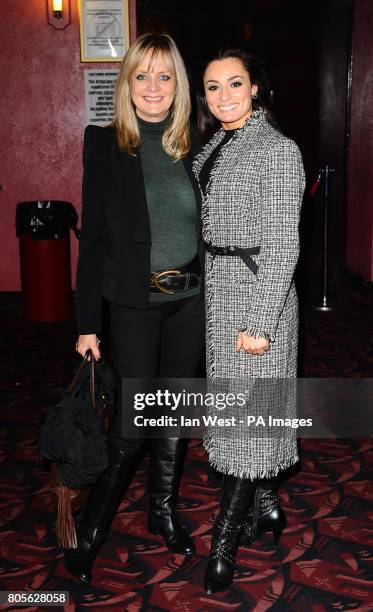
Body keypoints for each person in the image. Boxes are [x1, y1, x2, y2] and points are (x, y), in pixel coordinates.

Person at [64, 33, 204, 584]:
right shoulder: (104, 144)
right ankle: (92, 530)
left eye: (164, 76)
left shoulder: (195, 141)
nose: (153, 86)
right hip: (134, 305)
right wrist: (85, 325)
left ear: (178, 86)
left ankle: (162, 511)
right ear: (126, 83)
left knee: (172, 417)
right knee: (132, 424)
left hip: (191, 302)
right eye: (142, 75)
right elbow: (92, 238)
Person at [193, 49, 305, 594]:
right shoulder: (217, 143)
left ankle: (223, 545)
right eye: (213, 87)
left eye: (234, 84)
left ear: (255, 88)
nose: (224, 96)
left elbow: (284, 244)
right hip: (219, 292)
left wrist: (260, 323)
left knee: (245, 424)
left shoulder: (278, 150)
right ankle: (268, 508)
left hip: (259, 293)